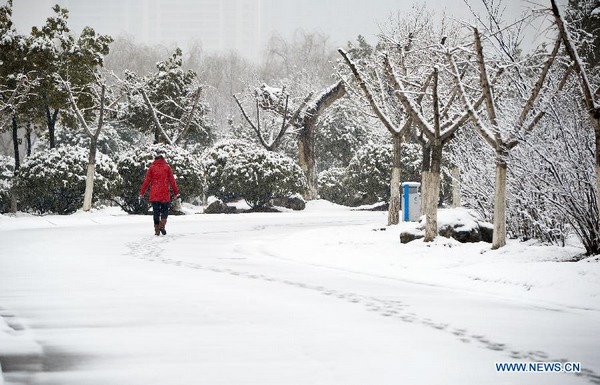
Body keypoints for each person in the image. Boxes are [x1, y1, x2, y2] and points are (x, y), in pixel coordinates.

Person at [139, 153, 179, 236]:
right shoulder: (167, 167)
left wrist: (142, 192)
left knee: (156, 212)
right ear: (163, 160)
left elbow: (146, 181)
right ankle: (162, 225)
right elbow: (172, 181)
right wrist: (176, 192)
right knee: (165, 211)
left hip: (155, 194)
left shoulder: (152, 168)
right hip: (164, 193)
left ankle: (157, 230)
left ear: (155, 160)